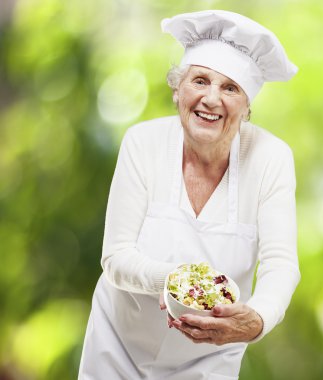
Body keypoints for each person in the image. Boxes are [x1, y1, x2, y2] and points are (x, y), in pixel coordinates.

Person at [79, 10, 301, 380]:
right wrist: (179, 281)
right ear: (177, 90)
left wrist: (258, 317)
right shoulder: (143, 142)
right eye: (200, 81)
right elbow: (116, 257)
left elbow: (281, 263)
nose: (211, 99)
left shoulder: (271, 158)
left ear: (246, 108)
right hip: (118, 345)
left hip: (209, 356)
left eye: (230, 88)